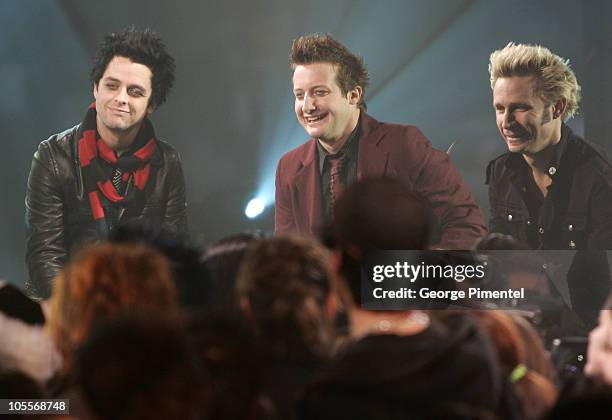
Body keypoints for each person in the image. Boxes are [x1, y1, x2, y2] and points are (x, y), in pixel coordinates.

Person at [275, 33, 486, 249]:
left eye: (319, 92)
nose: (308, 106)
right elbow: (287, 254)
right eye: (299, 95)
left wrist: (413, 274)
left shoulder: (406, 145)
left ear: (354, 95)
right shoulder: (288, 167)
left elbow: (467, 225)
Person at [25, 27, 188, 299]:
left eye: (135, 91)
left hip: (137, 309)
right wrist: (85, 314)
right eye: (112, 85)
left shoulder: (167, 163)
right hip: (64, 307)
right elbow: (45, 256)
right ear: (95, 88)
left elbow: (173, 255)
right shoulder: (53, 157)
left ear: (151, 104)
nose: (121, 98)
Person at [486, 42, 612, 250]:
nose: (506, 122)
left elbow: (603, 278)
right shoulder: (500, 173)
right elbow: (500, 263)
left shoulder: (598, 178)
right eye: (500, 109)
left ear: (557, 108)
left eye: (520, 108)